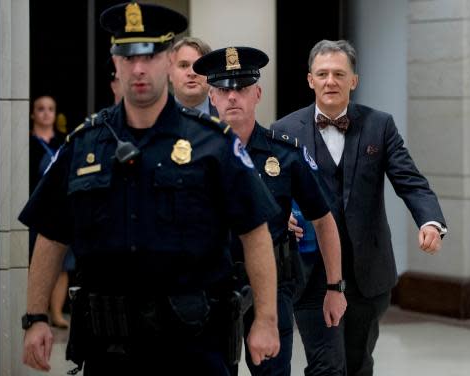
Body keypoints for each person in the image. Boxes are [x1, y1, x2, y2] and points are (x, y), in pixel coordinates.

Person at [20, 3, 281, 375]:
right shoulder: (85, 145)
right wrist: (36, 317)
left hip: (194, 348)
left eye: (151, 54)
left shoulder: (212, 144)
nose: (138, 68)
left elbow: (255, 233)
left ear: (168, 60)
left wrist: (266, 320)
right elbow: (50, 231)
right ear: (115, 61)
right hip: (109, 349)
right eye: (127, 56)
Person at [272, 39, 447, 376]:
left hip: (367, 273)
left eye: (339, 73)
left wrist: (430, 222)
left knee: (357, 363)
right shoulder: (283, 132)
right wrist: (284, 216)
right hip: (311, 273)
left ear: (354, 80)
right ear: (310, 80)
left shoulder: (379, 126)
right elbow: (271, 193)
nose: (330, 81)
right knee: (326, 366)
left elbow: (410, 180)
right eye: (322, 74)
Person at [195, 46, 347, 376]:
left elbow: (323, 219)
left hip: (273, 285)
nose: (233, 97)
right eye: (224, 90)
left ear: (257, 94)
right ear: (212, 97)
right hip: (211, 286)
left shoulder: (286, 154)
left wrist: (334, 287)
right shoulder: (194, 156)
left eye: (242, 88)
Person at [29, 95, 73, 329]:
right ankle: (37, 311)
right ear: (33, 114)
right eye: (41, 109)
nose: (46, 113)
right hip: (34, 212)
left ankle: (56, 313)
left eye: (50, 109)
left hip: (58, 209)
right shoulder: (27, 144)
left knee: (63, 265)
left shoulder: (63, 143)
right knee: (37, 261)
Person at [169, 37, 216, 115]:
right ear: (170, 73)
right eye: (184, 65)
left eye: (199, 66)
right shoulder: (154, 118)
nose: (192, 73)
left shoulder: (227, 118)